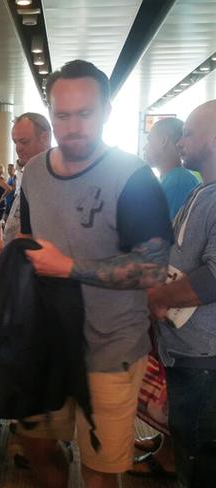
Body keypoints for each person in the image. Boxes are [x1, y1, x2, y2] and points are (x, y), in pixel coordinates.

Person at [17, 60, 173, 488]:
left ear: (106, 111)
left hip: (110, 349)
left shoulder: (134, 178)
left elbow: (152, 269)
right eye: (62, 115)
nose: (73, 127)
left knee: (100, 470)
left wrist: (67, 268)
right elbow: (28, 240)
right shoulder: (32, 174)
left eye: (85, 114)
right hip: (46, 344)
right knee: (37, 448)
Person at [148, 100, 216, 487]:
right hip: (189, 354)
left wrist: (159, 297)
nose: (181, 141)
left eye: (189, 132)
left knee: (199, 465)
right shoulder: (202, 190)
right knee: (190, 452)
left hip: (206, 360)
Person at [0, 112, 51, 255]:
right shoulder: (29, 173)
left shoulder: (53, 178)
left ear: (44, 138)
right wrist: (4, 244)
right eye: (15, 142)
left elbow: (45, 237)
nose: (18, 148)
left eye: (24, 142)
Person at [144, 117, 199, 220]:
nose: (144, 147)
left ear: (163, 141)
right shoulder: (175, 178)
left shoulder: (177, 182)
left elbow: (170, 234)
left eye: (149, 140)